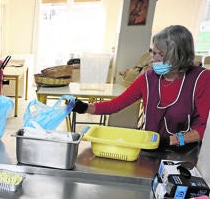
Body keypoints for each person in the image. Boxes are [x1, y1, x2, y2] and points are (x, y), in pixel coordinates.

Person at [73, 25, 210, 152]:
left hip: (185, 154)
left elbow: (204, 127)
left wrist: (172, 140)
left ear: (179, 55)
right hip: (151, 148)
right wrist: (85, 107)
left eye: (161, 55)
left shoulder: (201, 79)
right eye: (153, 53)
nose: (154, 59)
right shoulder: (149, 78)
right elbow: (116, 105)